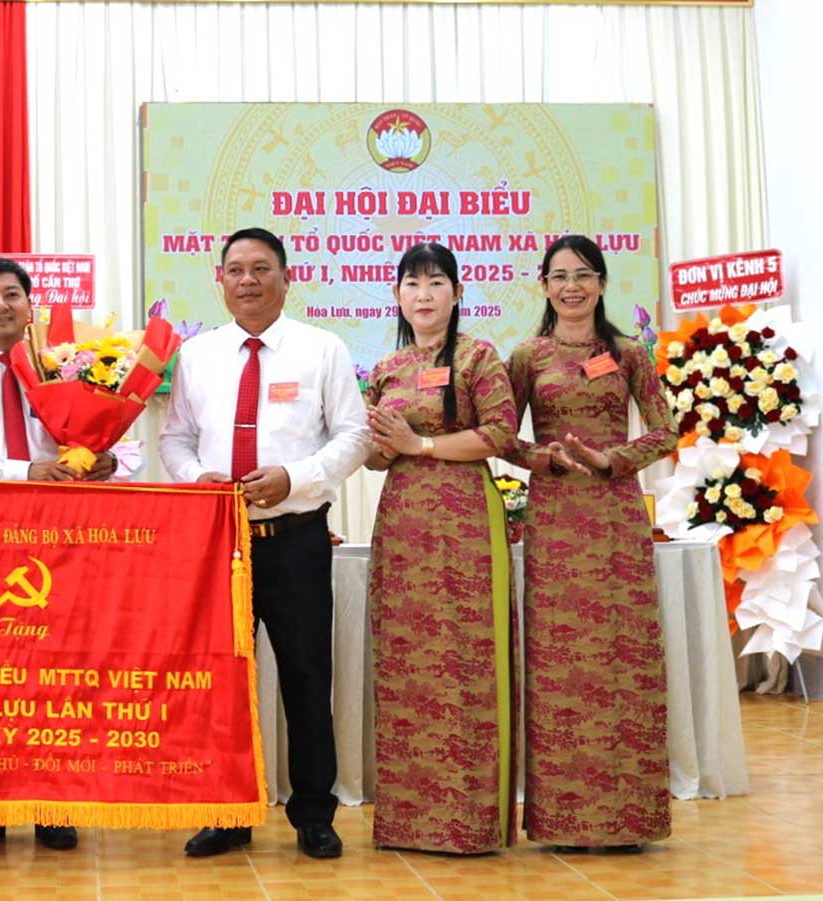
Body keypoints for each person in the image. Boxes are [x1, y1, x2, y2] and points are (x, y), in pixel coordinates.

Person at [160, 227, 368, 859]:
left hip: (296, 539)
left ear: (286, 277)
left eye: (260, 268)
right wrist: (197, 478)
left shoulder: (322, 349)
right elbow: (175, 439)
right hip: (220, 544)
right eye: (235, 270)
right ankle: (228, 811)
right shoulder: (198, 355)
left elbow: (354, 436)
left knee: (307, 676)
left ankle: (314, 814)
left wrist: (293, 478)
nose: (247, 280)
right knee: (223, 680)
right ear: (219, 280)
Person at [0, 256, 114, 853]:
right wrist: (25, 470)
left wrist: (108, 460)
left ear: (30, 305)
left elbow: (106, 440)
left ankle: (52, 804)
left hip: (60, 538)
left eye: (12, 294)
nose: (1, 306)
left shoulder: (67, 365)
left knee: (57, 675)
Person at [505, 234, 675, 852]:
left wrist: (613, 459)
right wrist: (543, 457)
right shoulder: (527, 356)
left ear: (602, 283)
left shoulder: (628, 353)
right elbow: (501, 436)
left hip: (615, 516)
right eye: (559, 276)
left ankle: (629, 818)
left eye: (582, 275)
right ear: (544, 286)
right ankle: (564, 820)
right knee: (560, 663)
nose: (571, 286)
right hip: (555, 520)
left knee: (624, 658)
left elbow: (665, 431)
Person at [363, 242, 519, 854]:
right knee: (407, 662)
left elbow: (501, 433)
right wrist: (378, 444)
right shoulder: (386, 368)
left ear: (457, 293)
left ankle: (469, 821)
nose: (423, 295)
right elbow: (378, 458)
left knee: (465, 658)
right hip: (403, 525)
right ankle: (409, 820)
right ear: (397, 295)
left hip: (465, 521)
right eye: (412, 284)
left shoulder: (479, 357)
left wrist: (420, 445)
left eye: (435, 283)